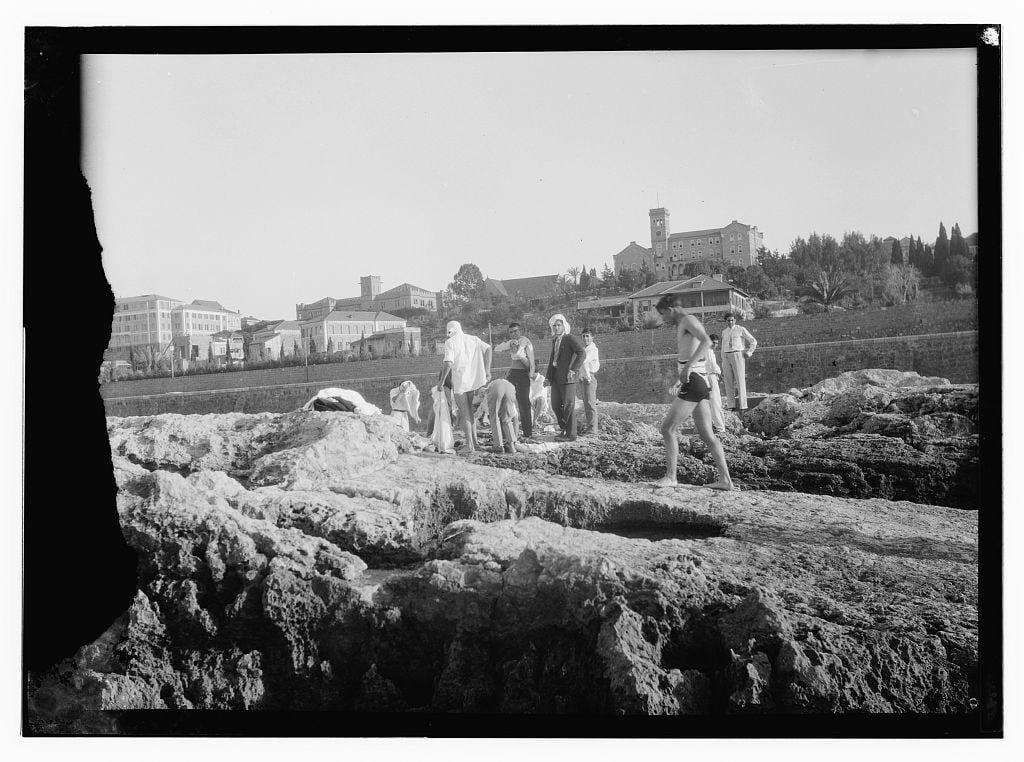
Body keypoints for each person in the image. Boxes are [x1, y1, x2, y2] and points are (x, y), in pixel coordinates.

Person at [653, 295, 735, 490]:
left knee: (667, 429)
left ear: (671, 309)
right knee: (707, 434)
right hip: (699, 381)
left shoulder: (688, 320)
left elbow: (707, 341)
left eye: (663, 314)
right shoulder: (684, 323)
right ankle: (726, 481)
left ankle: (671, 477)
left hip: (694, 381)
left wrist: (689, 367)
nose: (663, 319)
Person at [440, 320, 492, 453]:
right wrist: (487, 371)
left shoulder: (450, 342)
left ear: (449, 331)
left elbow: (448, 363)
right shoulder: (473, 339)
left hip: (460, 381)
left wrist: (441, 382)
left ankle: (469, 446)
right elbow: (488, 349)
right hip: (473, 380)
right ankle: (475, 443)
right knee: (469, 411)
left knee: (464, 413)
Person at [492, 322, 539, 442]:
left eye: (515, 331)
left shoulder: (525, 341)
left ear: (520, 331)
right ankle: (505, 433)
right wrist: (508, 345)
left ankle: (527, 433)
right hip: (513, 373)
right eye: (511, 332)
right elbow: (498, 348)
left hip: (523, 374)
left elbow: (528, 362)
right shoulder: (512, 342)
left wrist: (518, 353)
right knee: (505, 400)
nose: (513, 334)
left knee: (524, 403)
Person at [543, 313, 585, 442]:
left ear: (564, 326)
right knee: (555, 405)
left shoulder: (569, 338)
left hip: (568, 378)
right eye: (554, 326)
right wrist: (548, 377)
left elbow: (582, 353)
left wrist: (573, 369)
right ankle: (565, 429)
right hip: (556, 377)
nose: (556, 328)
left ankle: (571, 434)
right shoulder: (555, 340)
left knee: (568, 405)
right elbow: (552, 360)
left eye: (559, 325)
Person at [720, 312, 757, 412]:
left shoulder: (741, 329)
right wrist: (723, 360)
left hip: (738, 354)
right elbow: (723, 347)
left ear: (735, 320)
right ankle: (731, 405)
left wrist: (749, 352)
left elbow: (753, 341)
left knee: (740, 380)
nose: (730, 322)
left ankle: (743, 406)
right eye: (728, 320)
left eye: (732, 320)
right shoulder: (724, 332)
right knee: (728, 381)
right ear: (726, 321)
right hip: (726, 355)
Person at [481, 378, 520, 454]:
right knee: (507, 419)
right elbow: (515, 418)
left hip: (496, 387)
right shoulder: (513, 408)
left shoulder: (486, 395)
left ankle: (498, 446)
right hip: (510, 387)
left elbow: (490, 414)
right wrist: (515, 438)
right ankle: (511, 446)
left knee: (494, 418)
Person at [579, 329, 601, 435]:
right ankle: (590, 427)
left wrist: (587, 377)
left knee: (590, 404)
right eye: (583, 336)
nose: (585, 338)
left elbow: (584, 362)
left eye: (587, 336)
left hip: (589, 378)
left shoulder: (592, 349)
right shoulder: (585, 349)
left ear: (592, 337)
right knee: (587, 404)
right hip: (584, 378)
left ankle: (593, 430)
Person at [706, 334, 727, 434]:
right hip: (710, 376)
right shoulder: (708, 351)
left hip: (709, 376)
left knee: (711, 403)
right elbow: (712, 364)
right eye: (713, 343)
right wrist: (720, 373)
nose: (715, 345)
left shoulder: (708, 350)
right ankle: (720, 427)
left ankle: (714, 426)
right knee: (715, 402)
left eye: (717, 343)